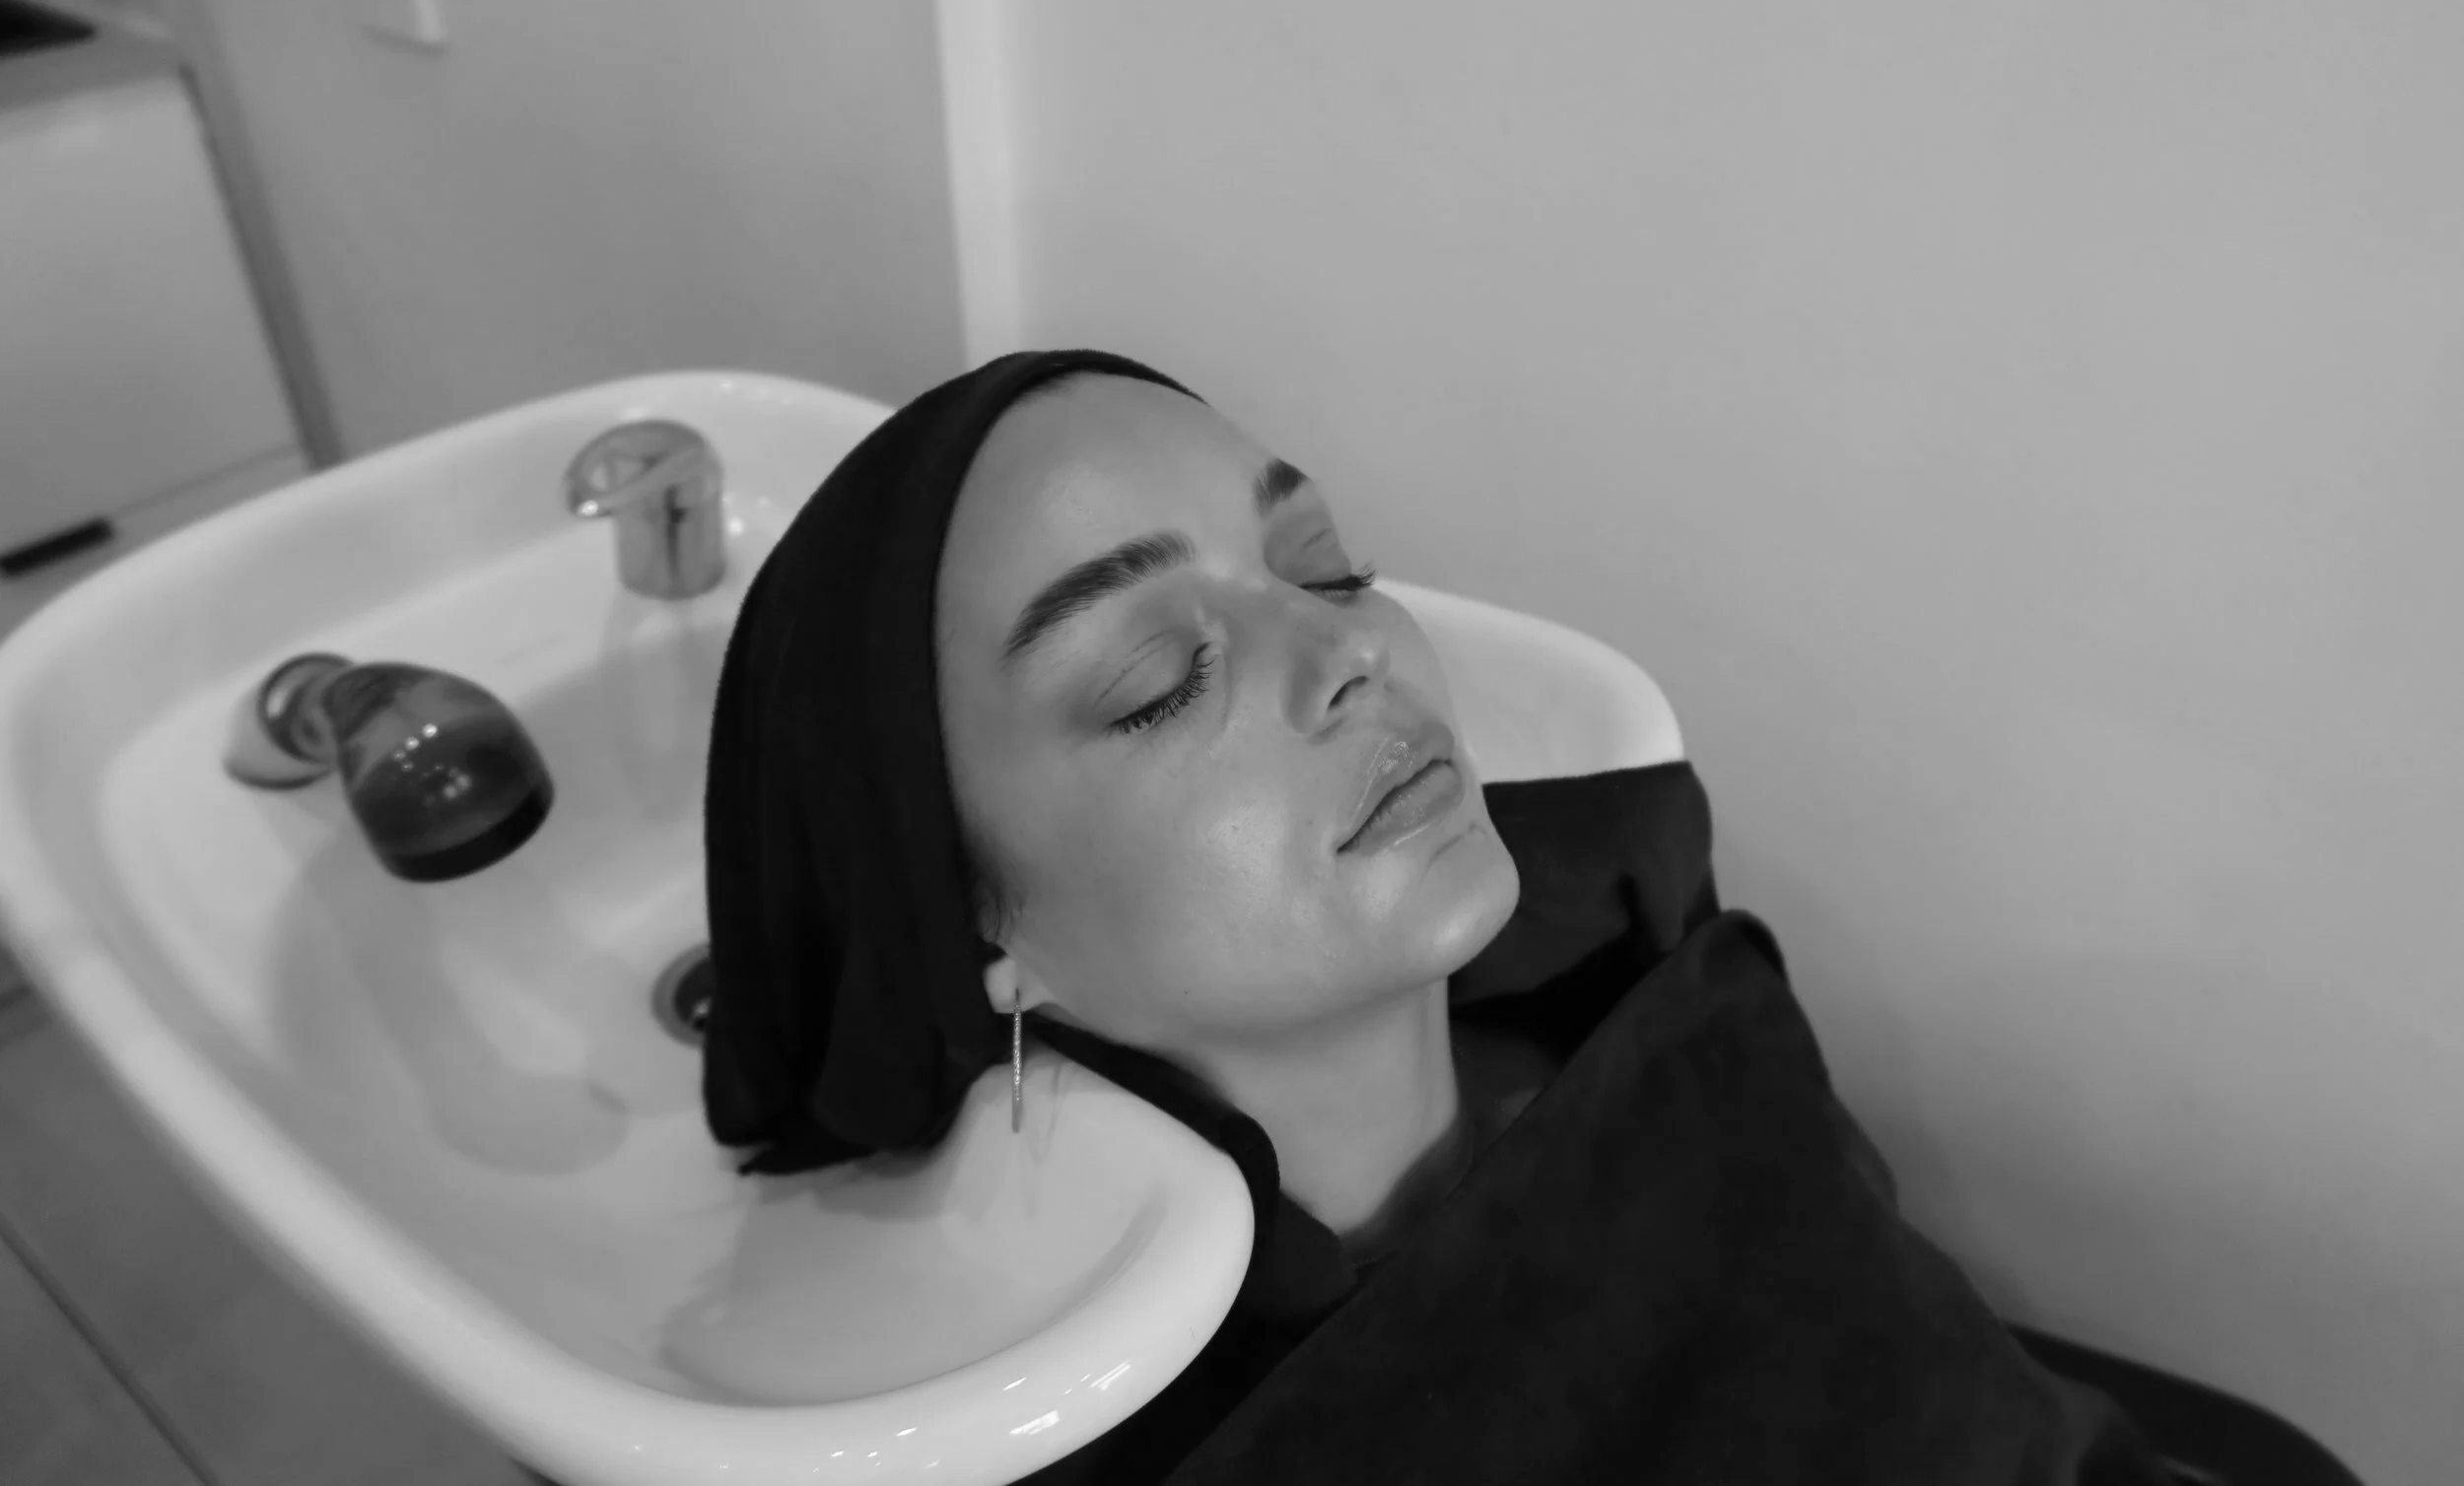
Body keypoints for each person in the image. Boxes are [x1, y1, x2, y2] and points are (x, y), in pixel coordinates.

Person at [699, 350, 2351, 1485]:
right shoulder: (1102, 1430)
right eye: (1157, 676)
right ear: (974, 932)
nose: (1350, 652)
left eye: (1323, 565)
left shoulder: (1659, 1011)